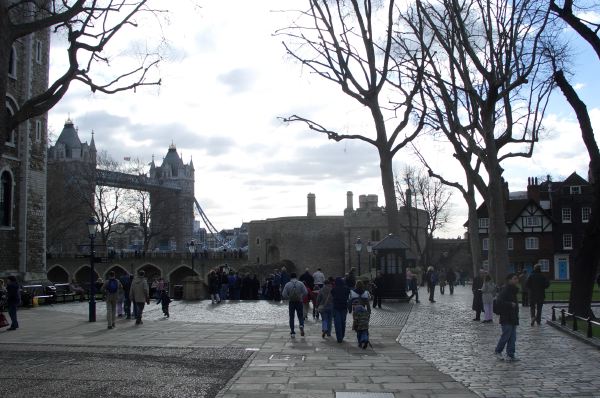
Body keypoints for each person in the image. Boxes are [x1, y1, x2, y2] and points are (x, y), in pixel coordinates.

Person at [494, 273, 520, 362]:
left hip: (513, 317)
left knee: (513, 338)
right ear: (509, 280)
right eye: (514, 278)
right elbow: (499, 302)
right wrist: (510, 304)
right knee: (506, 336)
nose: (516, 280)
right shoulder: (505, 290)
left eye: (517, 279)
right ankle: (498, 351)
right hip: (506, 317)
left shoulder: (514, 290)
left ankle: (510, 354)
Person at [281, 272, 308, 338]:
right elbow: (306, 292)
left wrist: (289, 297)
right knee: (300, 315)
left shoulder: (288, 284)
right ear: (296, 277)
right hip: (299, 301)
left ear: (290, 277)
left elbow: (284, 294)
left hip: (292, 302)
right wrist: (301, 297)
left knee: (291, 317)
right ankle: (301, 325)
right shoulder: (301, 283)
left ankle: (292, 332)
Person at [349, 280, 371, 349]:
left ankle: (360, 341)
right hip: (363, 312)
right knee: (364, 327)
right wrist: (369, 312)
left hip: (356, 312)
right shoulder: (365, 293)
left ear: (356, 285)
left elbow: (350, 302)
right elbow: (368, 304)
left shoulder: (352, 292)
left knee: (358, 327)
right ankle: (365, 338)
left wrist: (349, 309)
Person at [331, 277, 350, 343]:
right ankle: (342, 335)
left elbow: (332, 297)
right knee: (343, 322)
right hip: (344, 307)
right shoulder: (347, 289)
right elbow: (348, 297)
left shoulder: (334, 289)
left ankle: (339, 337)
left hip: (336, 307)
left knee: (337, 323)